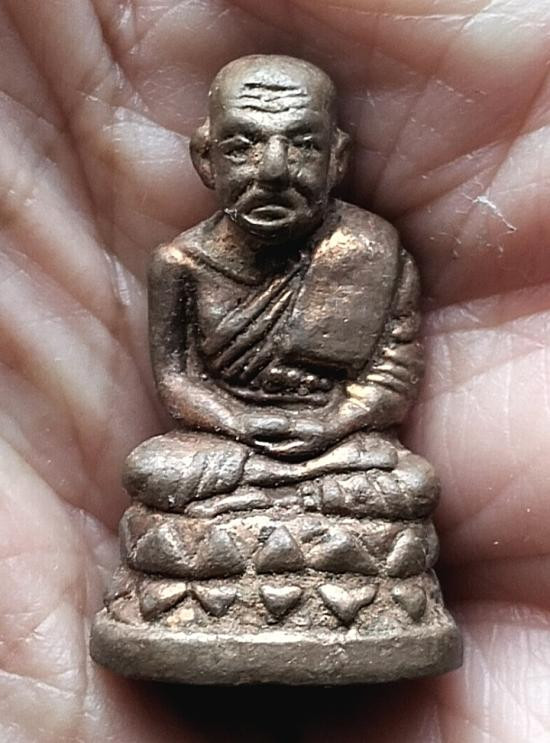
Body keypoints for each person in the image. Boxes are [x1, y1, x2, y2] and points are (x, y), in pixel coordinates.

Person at [1, 0, 548, 739]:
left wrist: (335, 422)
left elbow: (392, 372)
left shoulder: (372, 250)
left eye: (302, 147)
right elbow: (178, 381)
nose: (273, 172)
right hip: (227, 445)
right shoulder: (181, 262)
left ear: (338, 159)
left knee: (407, 484)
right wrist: (239, 422)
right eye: (243, 147)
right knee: (155, 470)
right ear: (205, 159)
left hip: (339, 444)